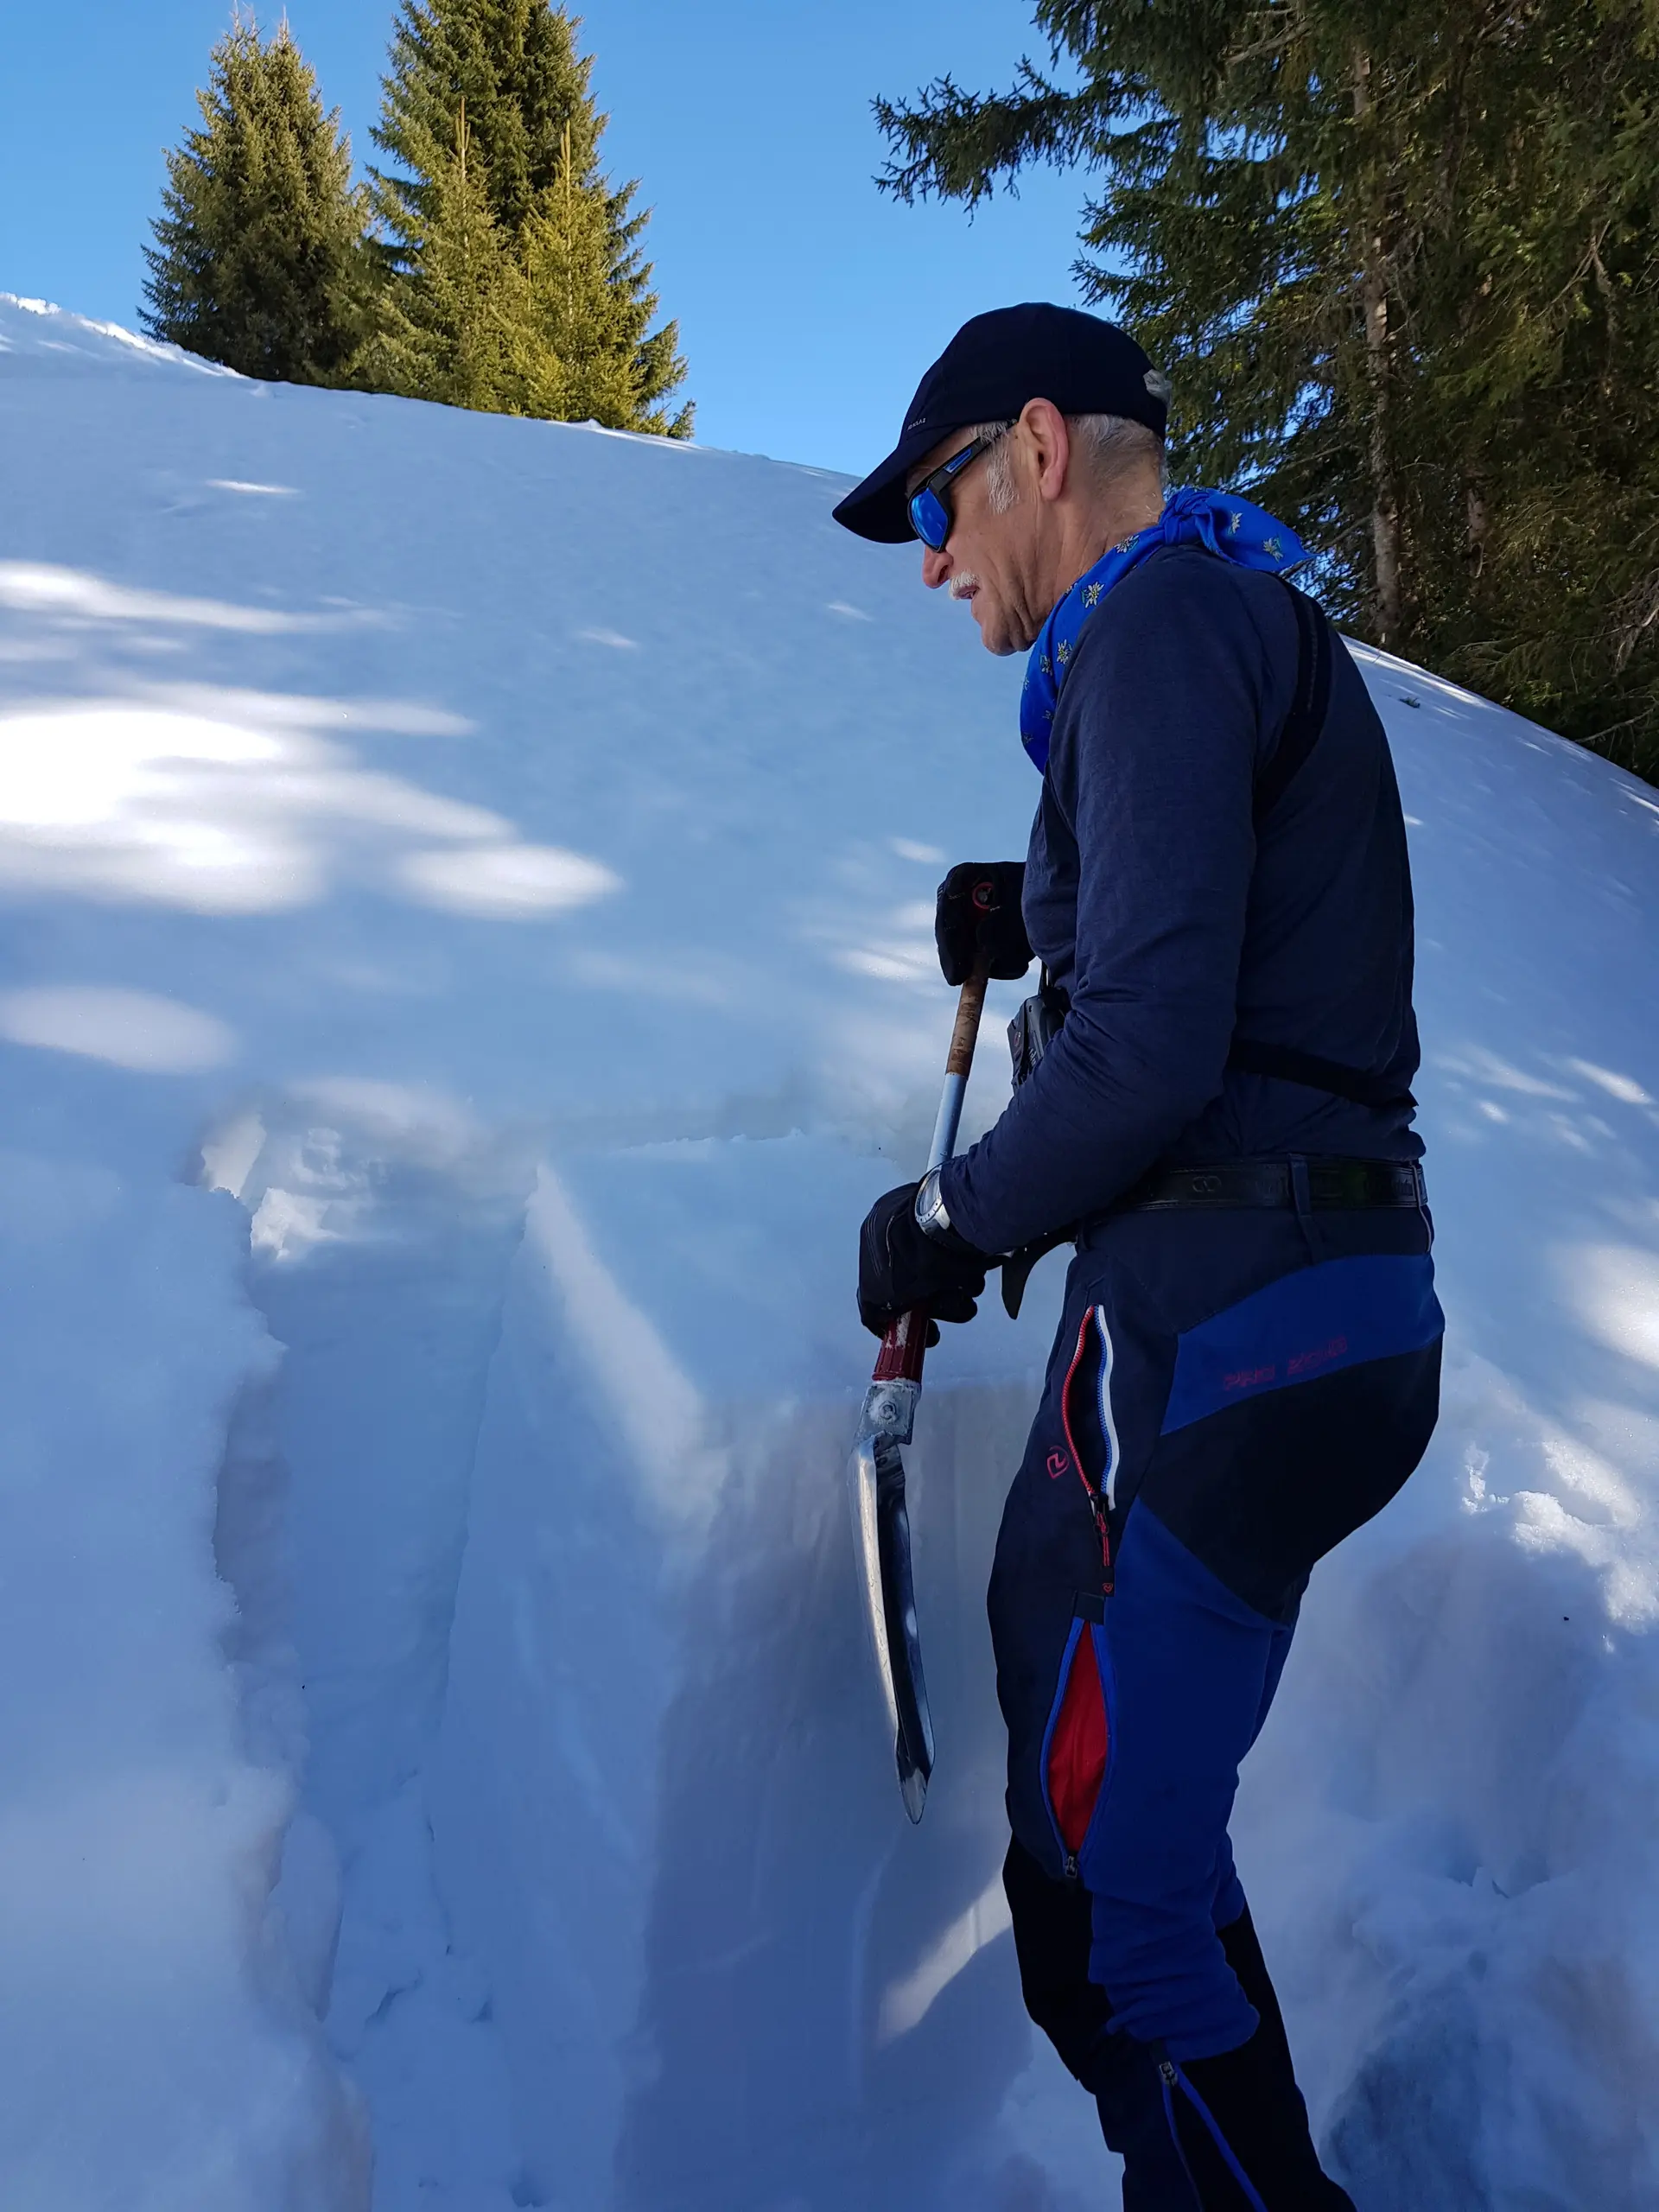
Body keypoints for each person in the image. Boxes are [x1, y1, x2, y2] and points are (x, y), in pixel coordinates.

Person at [833, 302, 1443, 2209]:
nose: (933, 561)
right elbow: (1227, 941)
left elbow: (1155, 1050)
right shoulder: (1200, 626)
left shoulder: (1165, 624)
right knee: (1114, 1844)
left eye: (939, 502)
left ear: (1035, 443)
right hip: (1273, 1300)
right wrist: (1040, 900)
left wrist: (949, 1218)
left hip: (1230, 1315)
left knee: (1113, 1915)